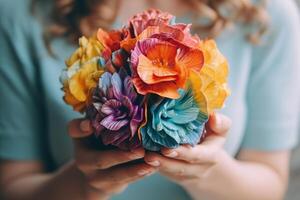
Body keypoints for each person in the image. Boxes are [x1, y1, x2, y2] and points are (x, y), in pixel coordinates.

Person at [0, 0, 299, 199]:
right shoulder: (18, 13)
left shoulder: (267, 14)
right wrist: (84, 184)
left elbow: (270, 182)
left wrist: (206, 171)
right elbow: (12, 186)